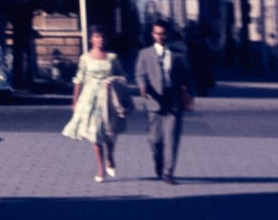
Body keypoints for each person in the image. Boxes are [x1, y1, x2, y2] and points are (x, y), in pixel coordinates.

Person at [61, 27, 129, 181]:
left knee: (109, 131)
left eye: (102, 36)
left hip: (108, 99)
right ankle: (100, 169)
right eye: (97, 37)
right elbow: (79, 79)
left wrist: (112, 81)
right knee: (94, 133)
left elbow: (122, 76)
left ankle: (110, 157)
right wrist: (75, 99)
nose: (100, 40)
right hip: (90, 98)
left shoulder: (112, 58)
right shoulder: (85, 58)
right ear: (91, 39)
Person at [134, 20, 194, 183]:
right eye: (157, 33)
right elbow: (140, 74)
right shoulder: (145, 54)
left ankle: (169, 172)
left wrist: (189, 96)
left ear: (168, 34)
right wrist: (143, 86)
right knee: (155, 140)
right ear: (152, 34)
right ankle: (159, 164)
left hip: (173, 100)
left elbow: (187, 77)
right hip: (154, 100)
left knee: (171, 138)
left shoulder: (178, 54)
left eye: (163, 33)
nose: (161, 36)